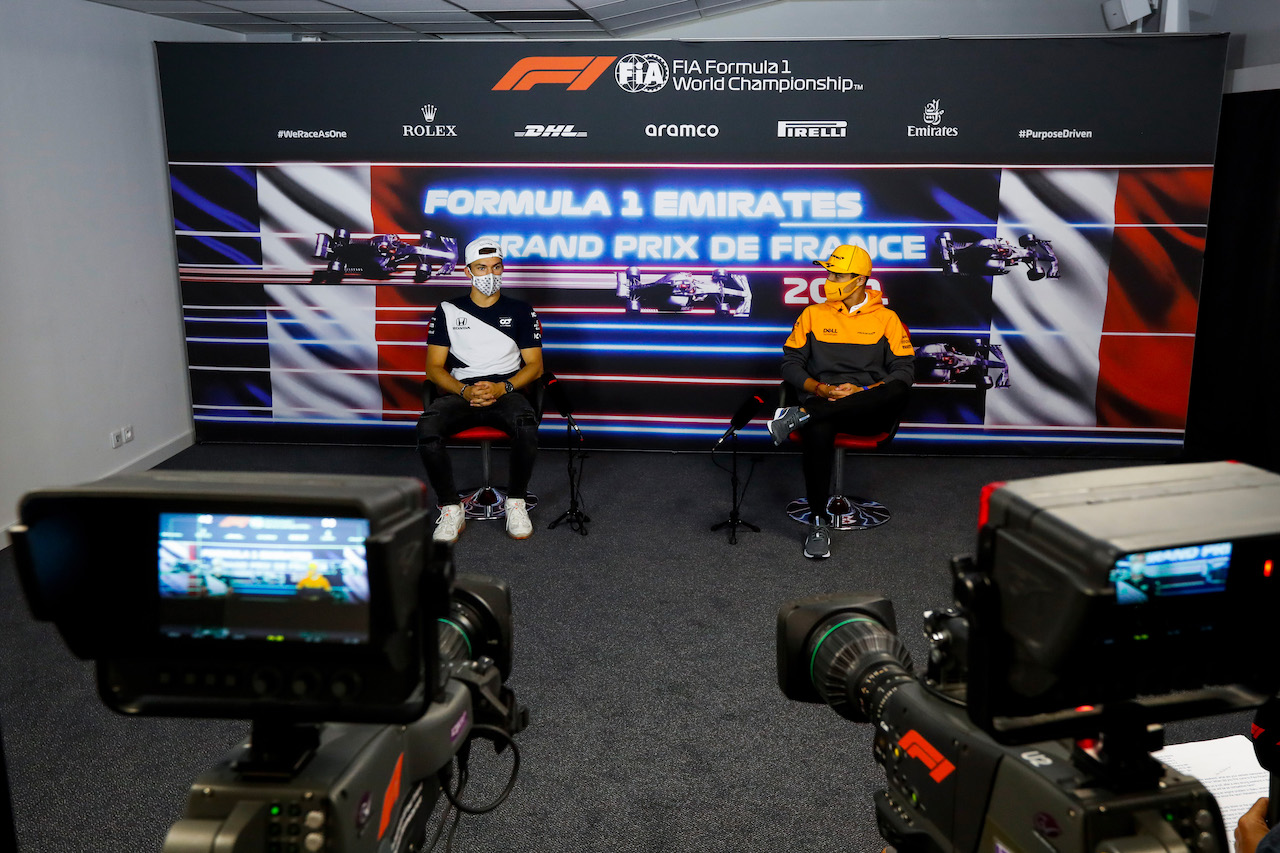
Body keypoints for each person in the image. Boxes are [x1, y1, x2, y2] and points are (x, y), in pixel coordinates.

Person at [767, 244, 914, 559]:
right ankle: (818, 522)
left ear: (860, 280)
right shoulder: (811, 314)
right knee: (820, 427)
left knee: (898, 388)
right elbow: (790, 364)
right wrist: (820, 390)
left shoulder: (887, 319)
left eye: (837, 274)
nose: (828, 279)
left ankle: (802, 414)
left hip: (867, 408)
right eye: (828, 272)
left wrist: (861, 392)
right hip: (824, 401)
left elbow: (904, 371)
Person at [416, 237, 544, 542]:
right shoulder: (447, 310)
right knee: (427, 429)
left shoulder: (521, 311)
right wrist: (464, 392)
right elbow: (433, 368)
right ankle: (450, 507)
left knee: (526, 427)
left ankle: (516, 502)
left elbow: (535, 366)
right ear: (467, 271)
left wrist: (503, 387)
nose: (490, 274)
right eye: (482, 267)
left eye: (496, 267)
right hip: (462, 391)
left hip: (506, 390)